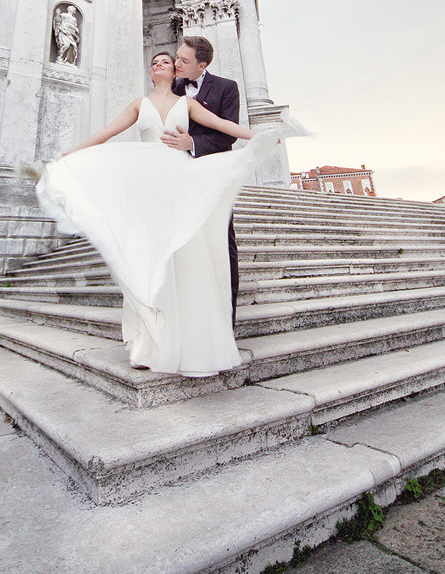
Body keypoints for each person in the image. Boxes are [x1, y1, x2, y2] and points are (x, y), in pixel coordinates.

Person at [23, 52, 280, 377]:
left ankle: (190, 343)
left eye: (164, 62)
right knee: (151, 259)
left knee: (185, 260)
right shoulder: (137, 104)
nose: (157, 65)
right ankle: (151, 344)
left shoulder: (187, 104)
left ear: (175, 71)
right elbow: (107, 132)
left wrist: (260, 135)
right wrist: (71, 154)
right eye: (154, 62)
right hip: (149, 187)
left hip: (180, 182)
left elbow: (222, 125)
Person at [163, 36, 242, 325]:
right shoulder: (171, 86)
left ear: (202, 65)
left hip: (213, 173)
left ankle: (225, 319)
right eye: (177, 57)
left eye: (184, 60)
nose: (176, 63)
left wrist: (192, 143)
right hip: (178, 177)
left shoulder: (226, 87)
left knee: (221, 241)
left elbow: (228, 134)